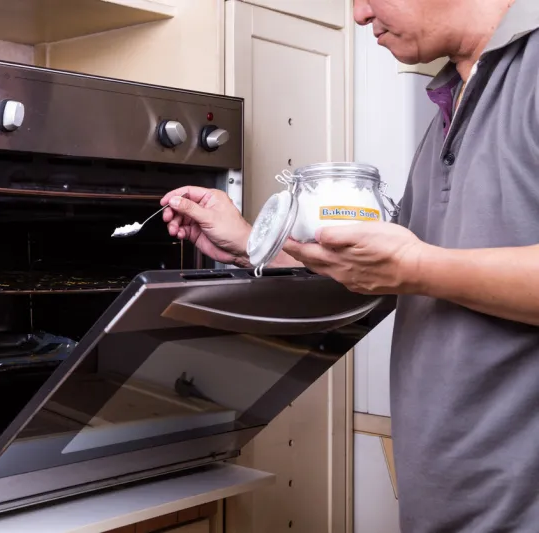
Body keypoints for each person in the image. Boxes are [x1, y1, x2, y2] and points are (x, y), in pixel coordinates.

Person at [161, 0, 539, 531]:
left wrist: (419, 268)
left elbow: (417, 266)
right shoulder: (452, 102)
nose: (359, 15)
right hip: (449, 495)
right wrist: (255, 242)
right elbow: (388, 268)